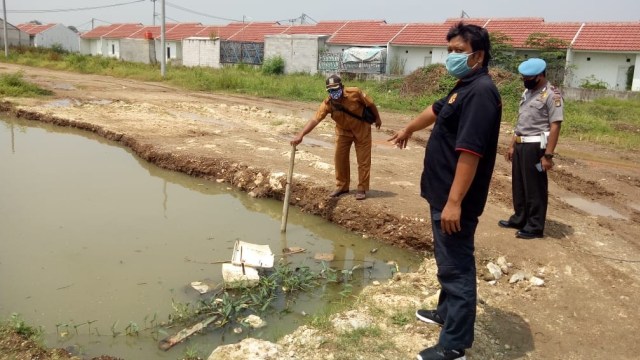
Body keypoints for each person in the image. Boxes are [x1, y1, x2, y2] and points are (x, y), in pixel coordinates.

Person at [389, 22, 502, 360]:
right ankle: (445, 314)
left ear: (477, 56)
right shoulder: (463, 86)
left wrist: (454, 202)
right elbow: (436, 110)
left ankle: (454, 344)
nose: (450, 56)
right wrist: (408, 128)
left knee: (456, 266)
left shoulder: (481, 92)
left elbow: (470, 152)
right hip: (441, 193)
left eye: (458, 51)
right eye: (449, 50)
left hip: (456, 201)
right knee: (446, 259)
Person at [498, 58, 563, 239]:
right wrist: (512, 145)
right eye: (523, 77)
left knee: (535, 187)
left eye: (529, 77)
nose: (525, 80)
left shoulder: (552, 95)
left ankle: (534, 226)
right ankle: (520, 218)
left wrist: (548, 156)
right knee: (519, 184)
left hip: (536, 147)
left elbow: (555, 126)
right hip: (520, 144)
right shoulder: (528, 92)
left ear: (541, 75)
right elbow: (522, 121)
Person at [290, 74, 382, 200]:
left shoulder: (354, 93)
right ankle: (342, 186)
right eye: (330, 90)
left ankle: (362, 188)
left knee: (363, 161)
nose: (334, 92)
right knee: (340, 159)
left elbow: (371, 104)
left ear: (342, 87)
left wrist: (377, 118)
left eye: (336, 89)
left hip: (362, 130)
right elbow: (315, 119)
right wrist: (301, 135)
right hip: (343, 132)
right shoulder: (328, 104)